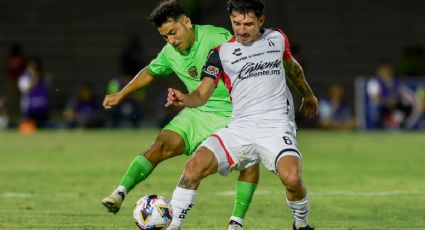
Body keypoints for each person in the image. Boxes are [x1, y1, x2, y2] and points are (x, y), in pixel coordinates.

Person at [101, 1, 259, 229]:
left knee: (250, 162)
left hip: (235, 115)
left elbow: (248, 62)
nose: (171, 41)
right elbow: (149, 72)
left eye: (173, 33)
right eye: (165, 37)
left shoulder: (217, 38)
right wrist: (121, 94)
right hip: (198, 112)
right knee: (160, 145)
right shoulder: (169, 53)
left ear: (187, 22)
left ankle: (236, 221)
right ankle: (119, 193)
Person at [164, 0, 317, 229]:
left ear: (261, 21)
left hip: (276, 127)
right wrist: (185, 99)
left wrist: (308, 95)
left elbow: (292, 68)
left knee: (292, 179)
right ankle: (173, 226)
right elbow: (202, 93)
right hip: (240, 128)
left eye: (248, 24)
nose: (241, 30)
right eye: (236, 23)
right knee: (193, 168)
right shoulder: (221, 53)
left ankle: (301, 224)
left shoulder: (276, 39)